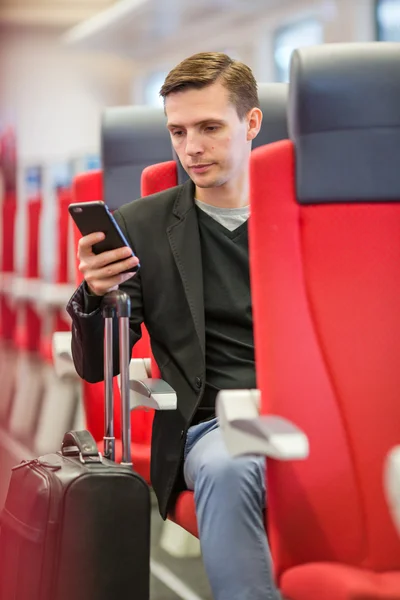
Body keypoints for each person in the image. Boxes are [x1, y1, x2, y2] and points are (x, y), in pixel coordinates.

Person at [67, 52, 279, 600]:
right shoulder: (143, 224)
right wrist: (95, 295)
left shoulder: (304, 214)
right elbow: (98, 367)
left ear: (251, 123)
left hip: (317, 414)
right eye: (178, 131)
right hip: (216, 422)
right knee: (232, 464)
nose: (191, 148)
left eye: (209, 127)